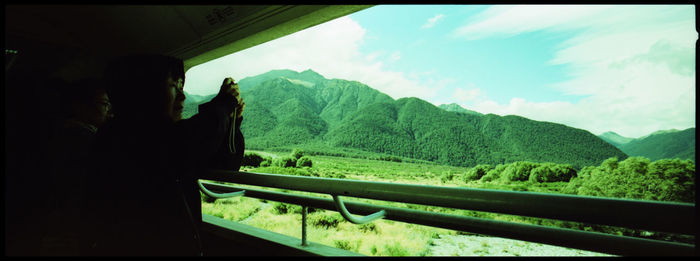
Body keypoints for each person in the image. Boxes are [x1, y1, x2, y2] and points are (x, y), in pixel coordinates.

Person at [81, 54, 245, 256]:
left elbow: (223, 164)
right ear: (146, 91)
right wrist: (224, 104)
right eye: (174, 86)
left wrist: (232, 124)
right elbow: (185, 143)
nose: (182, 96)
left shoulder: (118, 135)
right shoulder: (128, 137)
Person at [40, 78, 114, 255]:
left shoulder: (67, 134)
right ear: (79, 106)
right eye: (104, 103)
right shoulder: (81, 137)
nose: (108, 110)